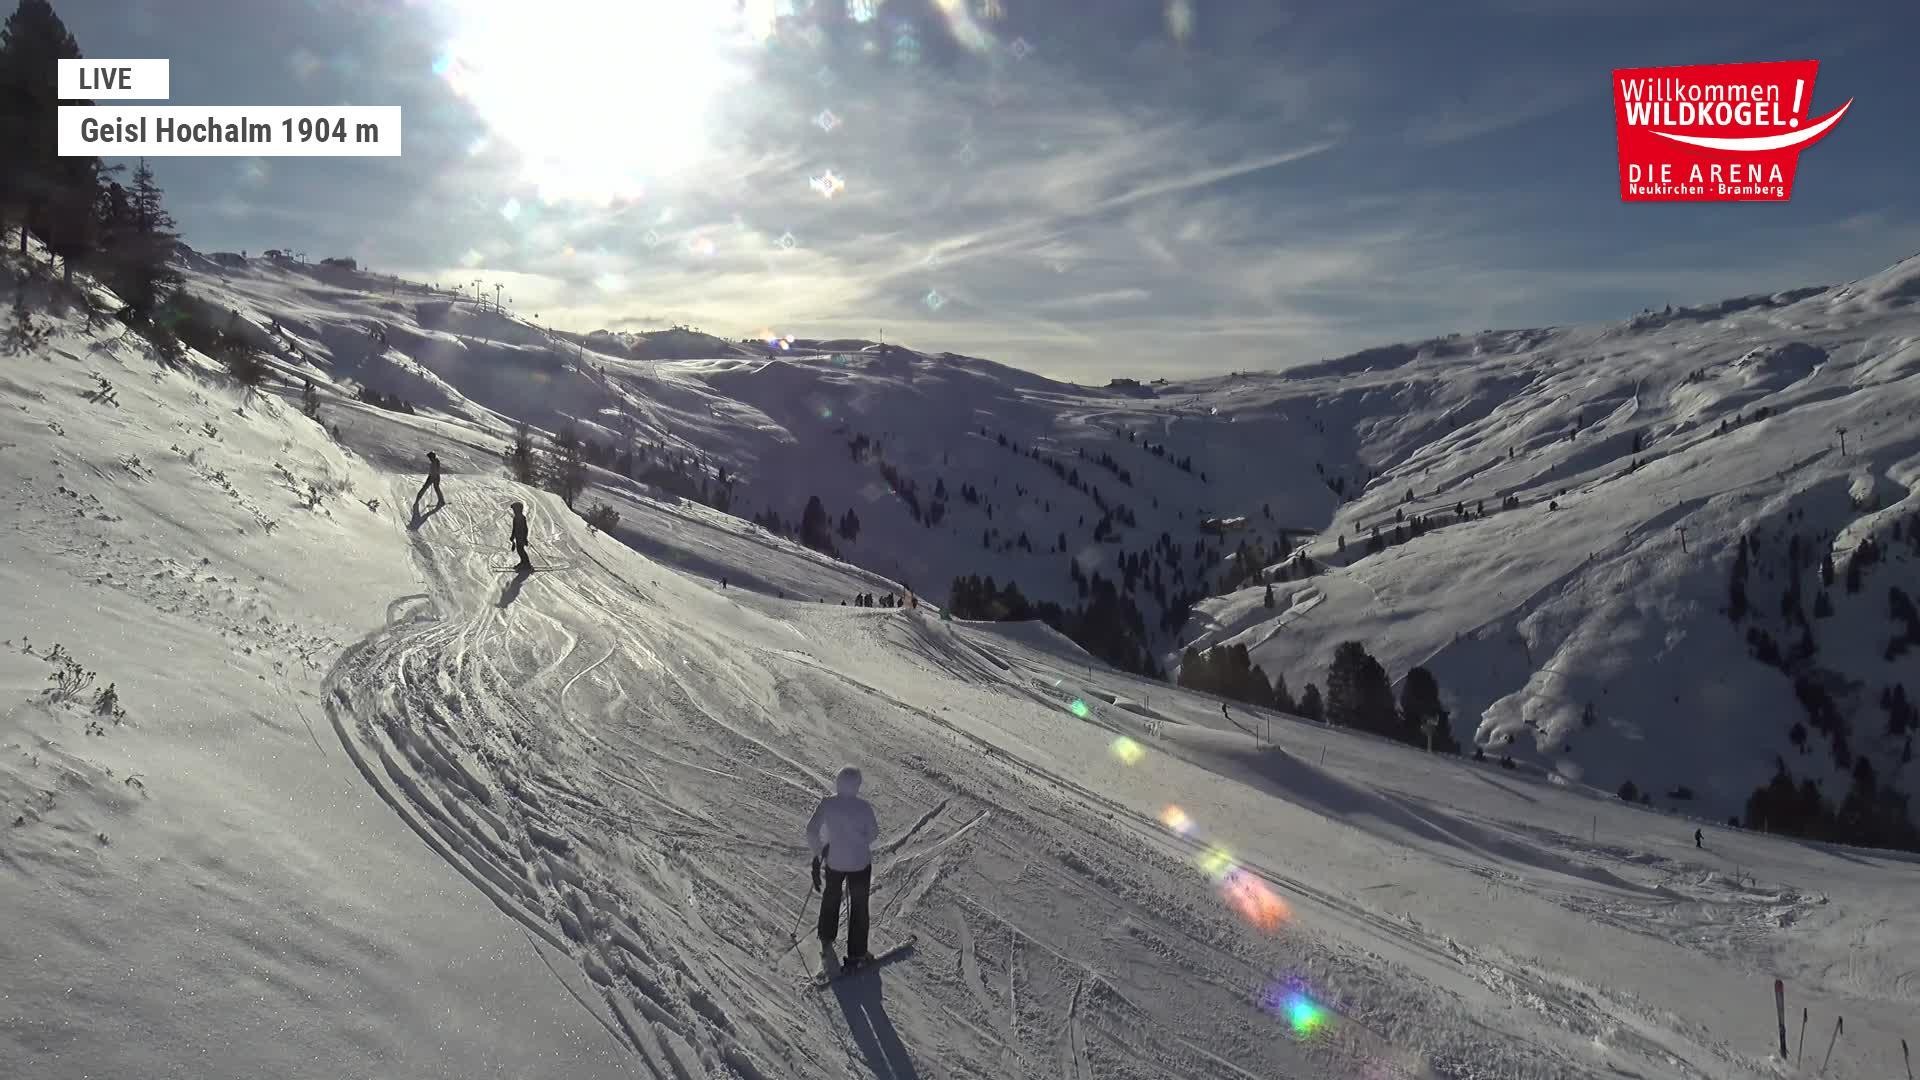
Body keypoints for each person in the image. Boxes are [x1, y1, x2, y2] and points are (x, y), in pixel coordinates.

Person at [807, 765, 878, 971]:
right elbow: (873, 833)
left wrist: (820, 850)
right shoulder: (864, 807)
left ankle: (826, 934)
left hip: (835, 861)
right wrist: (858, 841)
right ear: (856, 786)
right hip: (859, 864)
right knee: (858, 906)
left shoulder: (828, 804)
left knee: (832, 895)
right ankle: (856, 953)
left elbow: (812, 830)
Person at [508, 501, 532, 572]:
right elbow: (514, 528)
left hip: (521, 537)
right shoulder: (516, 517)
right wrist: (512, 536)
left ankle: (526, 563)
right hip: (518, 537)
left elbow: (525, 528)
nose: (514, 511)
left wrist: (525, 538)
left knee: (520, 550)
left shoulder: (521, 517)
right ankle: (523, 562)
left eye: (515, 509)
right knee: (519, 550)